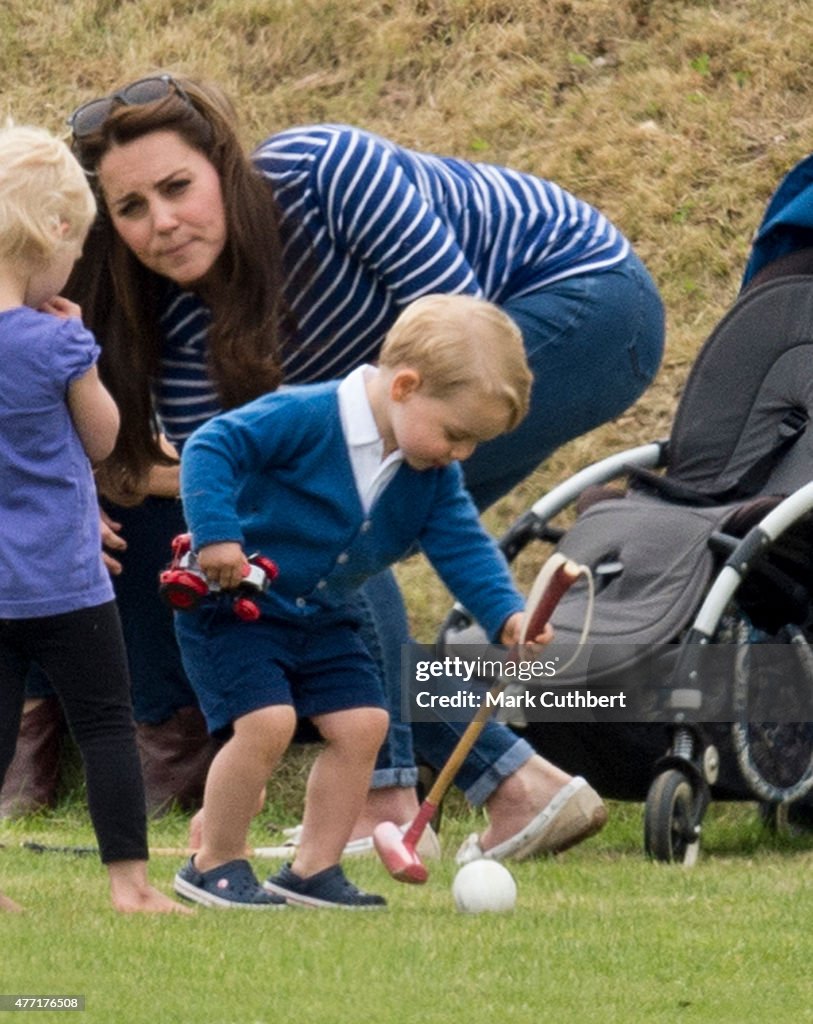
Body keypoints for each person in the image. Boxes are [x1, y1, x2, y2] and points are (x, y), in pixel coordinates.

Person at [29, 71, 663, 861]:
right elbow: (247, 493)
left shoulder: (328, 172)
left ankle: (408, 793)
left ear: (224, 165)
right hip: (439, 379)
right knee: (315, 543)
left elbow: (462, 337)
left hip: (575, 301)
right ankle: (482, 787)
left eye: (177, 187)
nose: (162, 222)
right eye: (131, 208)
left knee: (345, 533)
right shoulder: (183, 346)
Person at [173, 294, 554, 908]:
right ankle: (212, 861)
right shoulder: (306, 416)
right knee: (266, 724)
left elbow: (462, 543)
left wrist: (507, 613)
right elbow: (213, 445)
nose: (462, 454)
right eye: (457, 434)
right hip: (239, 607)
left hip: (325, 618)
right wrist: (219, 535)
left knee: (364, 724)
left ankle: (312, 870)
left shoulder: (429, 475)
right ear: (405, 385)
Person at [0, 123, 187, 914]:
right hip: (70, 583)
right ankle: (130, 886)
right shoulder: (55, 342)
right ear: (57, 232)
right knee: (108, 724)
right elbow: (104, 438)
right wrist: (76, 346)